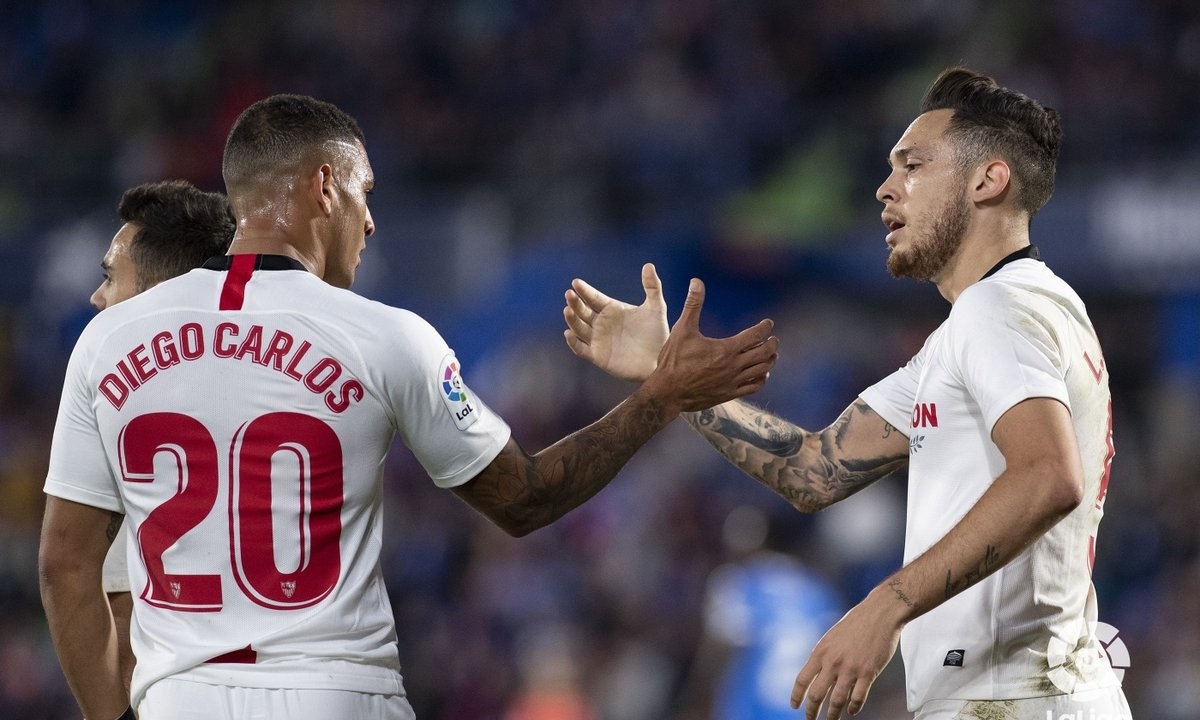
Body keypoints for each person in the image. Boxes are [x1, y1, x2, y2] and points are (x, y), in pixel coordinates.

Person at [38, 94, 778, 720]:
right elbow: (525, 500)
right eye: (365, 193)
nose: (369, 222)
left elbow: (65, 565)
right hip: (338, 694)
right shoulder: (385, 335)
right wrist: (659, 397)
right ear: (325, 186)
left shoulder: (110, 339)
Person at [563, 67, 1131, 720]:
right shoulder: (985, 326)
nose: (886, 188)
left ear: (987, 181)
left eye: (913, 165)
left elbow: (1048, 476)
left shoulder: (997, 309)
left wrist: (886, 606)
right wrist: (667, 373)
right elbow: (813, 468)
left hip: (1021, 700)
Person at [89, 179, 237, 696]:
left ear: (158, 292)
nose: (96, 297)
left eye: (110, 277)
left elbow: (72, 574)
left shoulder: (128, 419)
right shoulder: (292, 386)